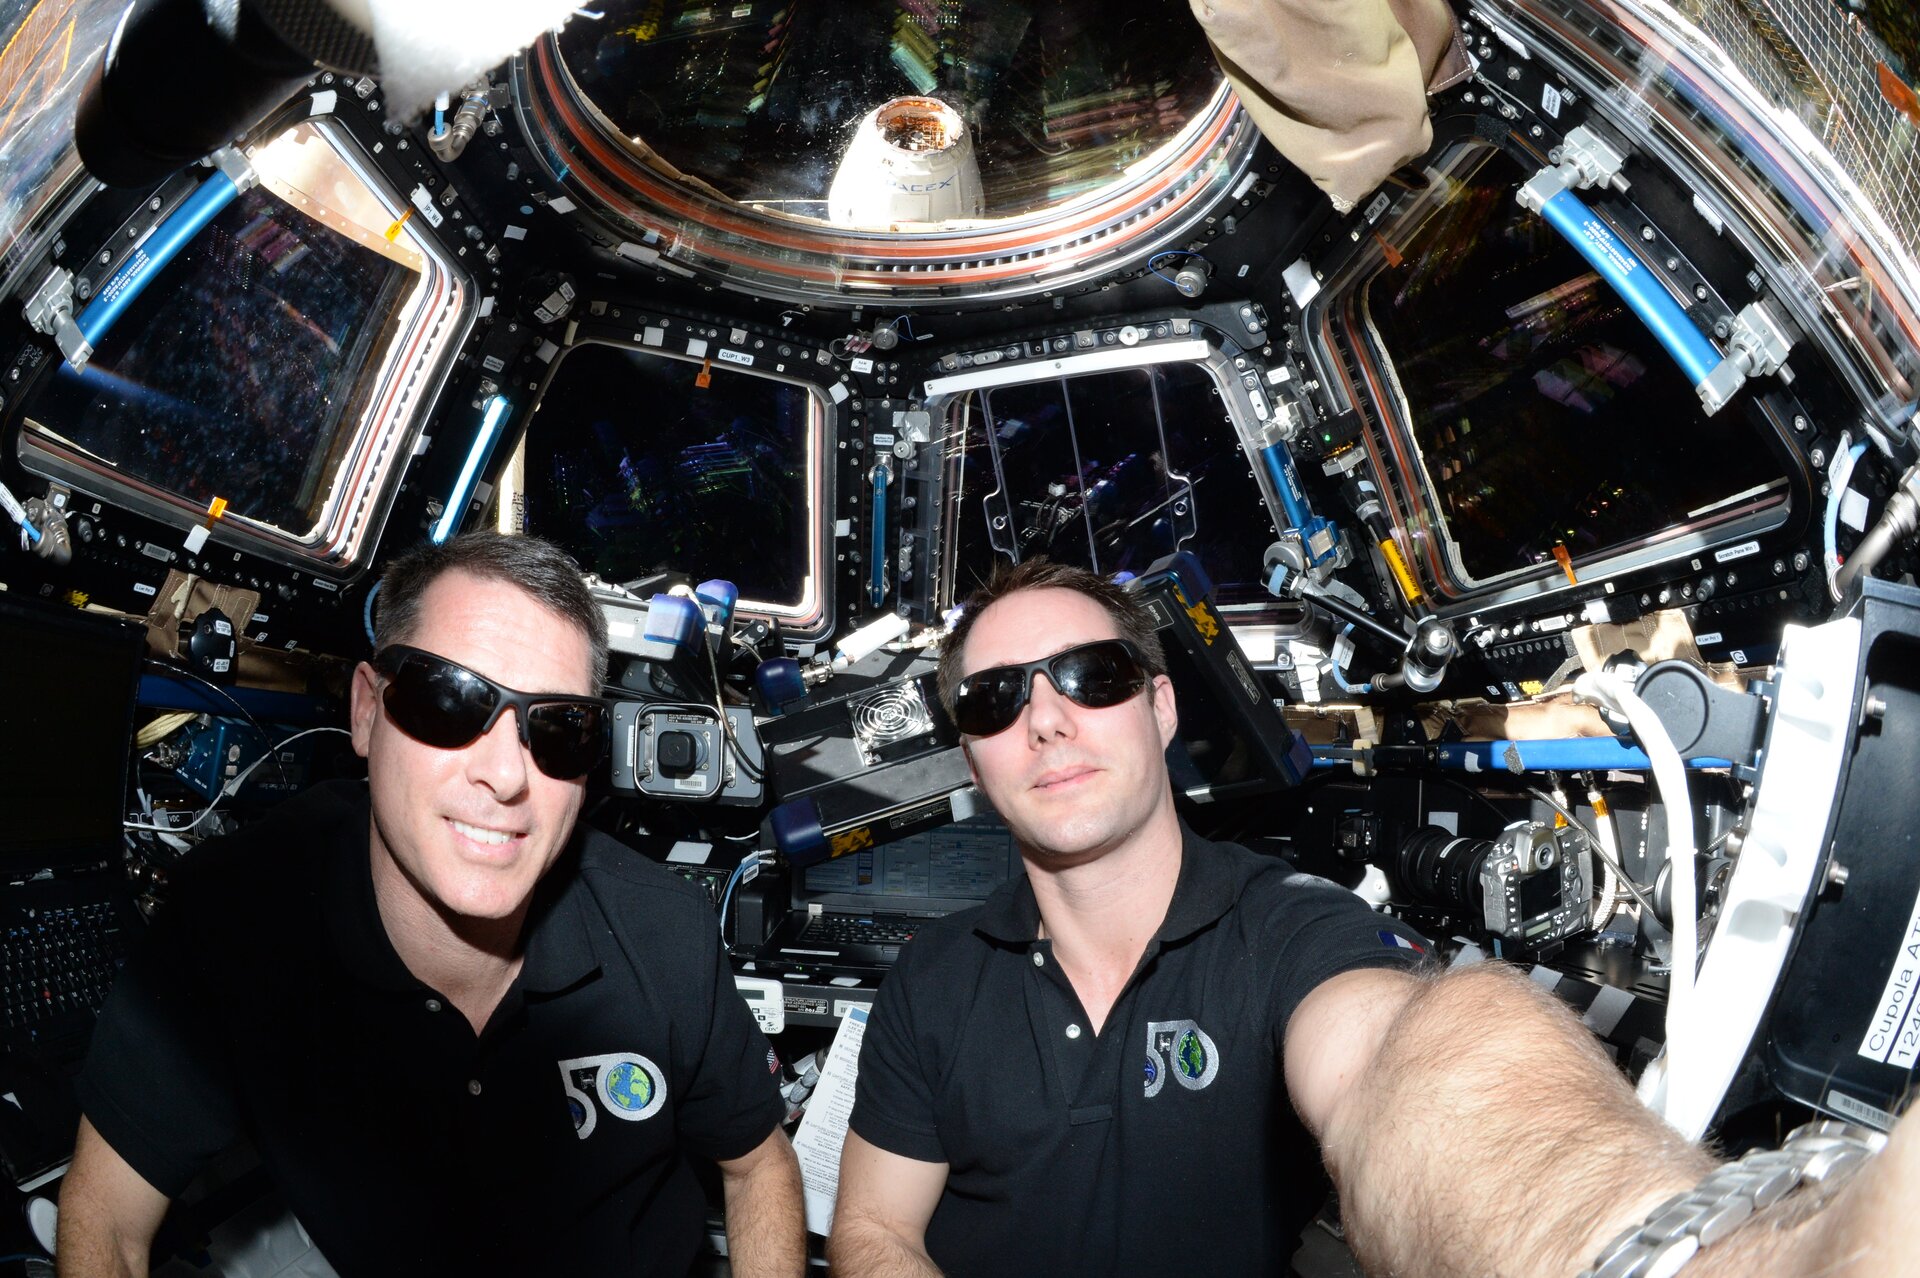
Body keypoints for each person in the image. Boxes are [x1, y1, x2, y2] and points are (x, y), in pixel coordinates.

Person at [827, 556, 1919, 1278]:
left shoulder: (1287, 932)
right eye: (996, 698)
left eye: (1090, 674)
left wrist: (1669, 1251)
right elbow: (875, 1226)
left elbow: (1408, 1063)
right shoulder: (934, 976)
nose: (1047, 720)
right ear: (971, 754)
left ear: (1160, 707)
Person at [59, 532, 805, 1278]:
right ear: (366, 711)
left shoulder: (664, 931)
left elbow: (758, 1165)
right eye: (449, 701)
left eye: (557, 728)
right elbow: (107, 1220)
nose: (506, 776)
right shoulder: (233, 923)